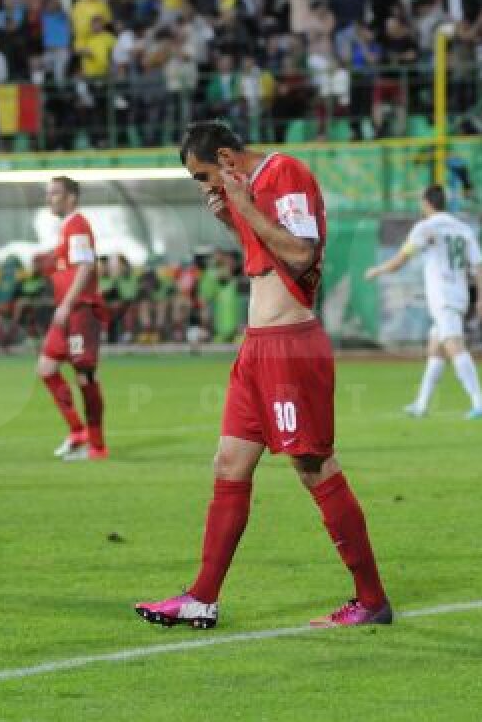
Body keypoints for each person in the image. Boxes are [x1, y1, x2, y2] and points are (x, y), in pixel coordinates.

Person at [135, 121, 390, 629]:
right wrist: (233, 220)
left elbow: (301, 254)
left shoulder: (285, 173)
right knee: (229, 464)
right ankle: (201, 597)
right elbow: (267, 259)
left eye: (204, 175)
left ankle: (371, 600)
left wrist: (244, 207)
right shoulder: (247, 191)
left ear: (227, 158)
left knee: (314, 468)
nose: (204, 186)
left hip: (290, 350)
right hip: (256, 350)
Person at [365, 185, 482, 419]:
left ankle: (480, 402)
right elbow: (480, 266)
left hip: (444, 297)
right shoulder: (463, 228)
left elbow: (400, 261)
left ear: (426, 203)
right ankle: (421, 405)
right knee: (436, 349)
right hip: (459, 294)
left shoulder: (425, 227)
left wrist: (377, 270)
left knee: (454, 345)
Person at [37, 176, 107, 462]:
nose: (49, 198)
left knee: (85, 377)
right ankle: (77, 432)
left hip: (80, 311)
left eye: (55, 193)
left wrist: (66, 304)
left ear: (71, 197)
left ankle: (97, 446)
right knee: (46, 368)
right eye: (48, 194)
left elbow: (86, 266)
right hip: (67, 312)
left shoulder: (77, 224)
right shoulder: (67, 227)